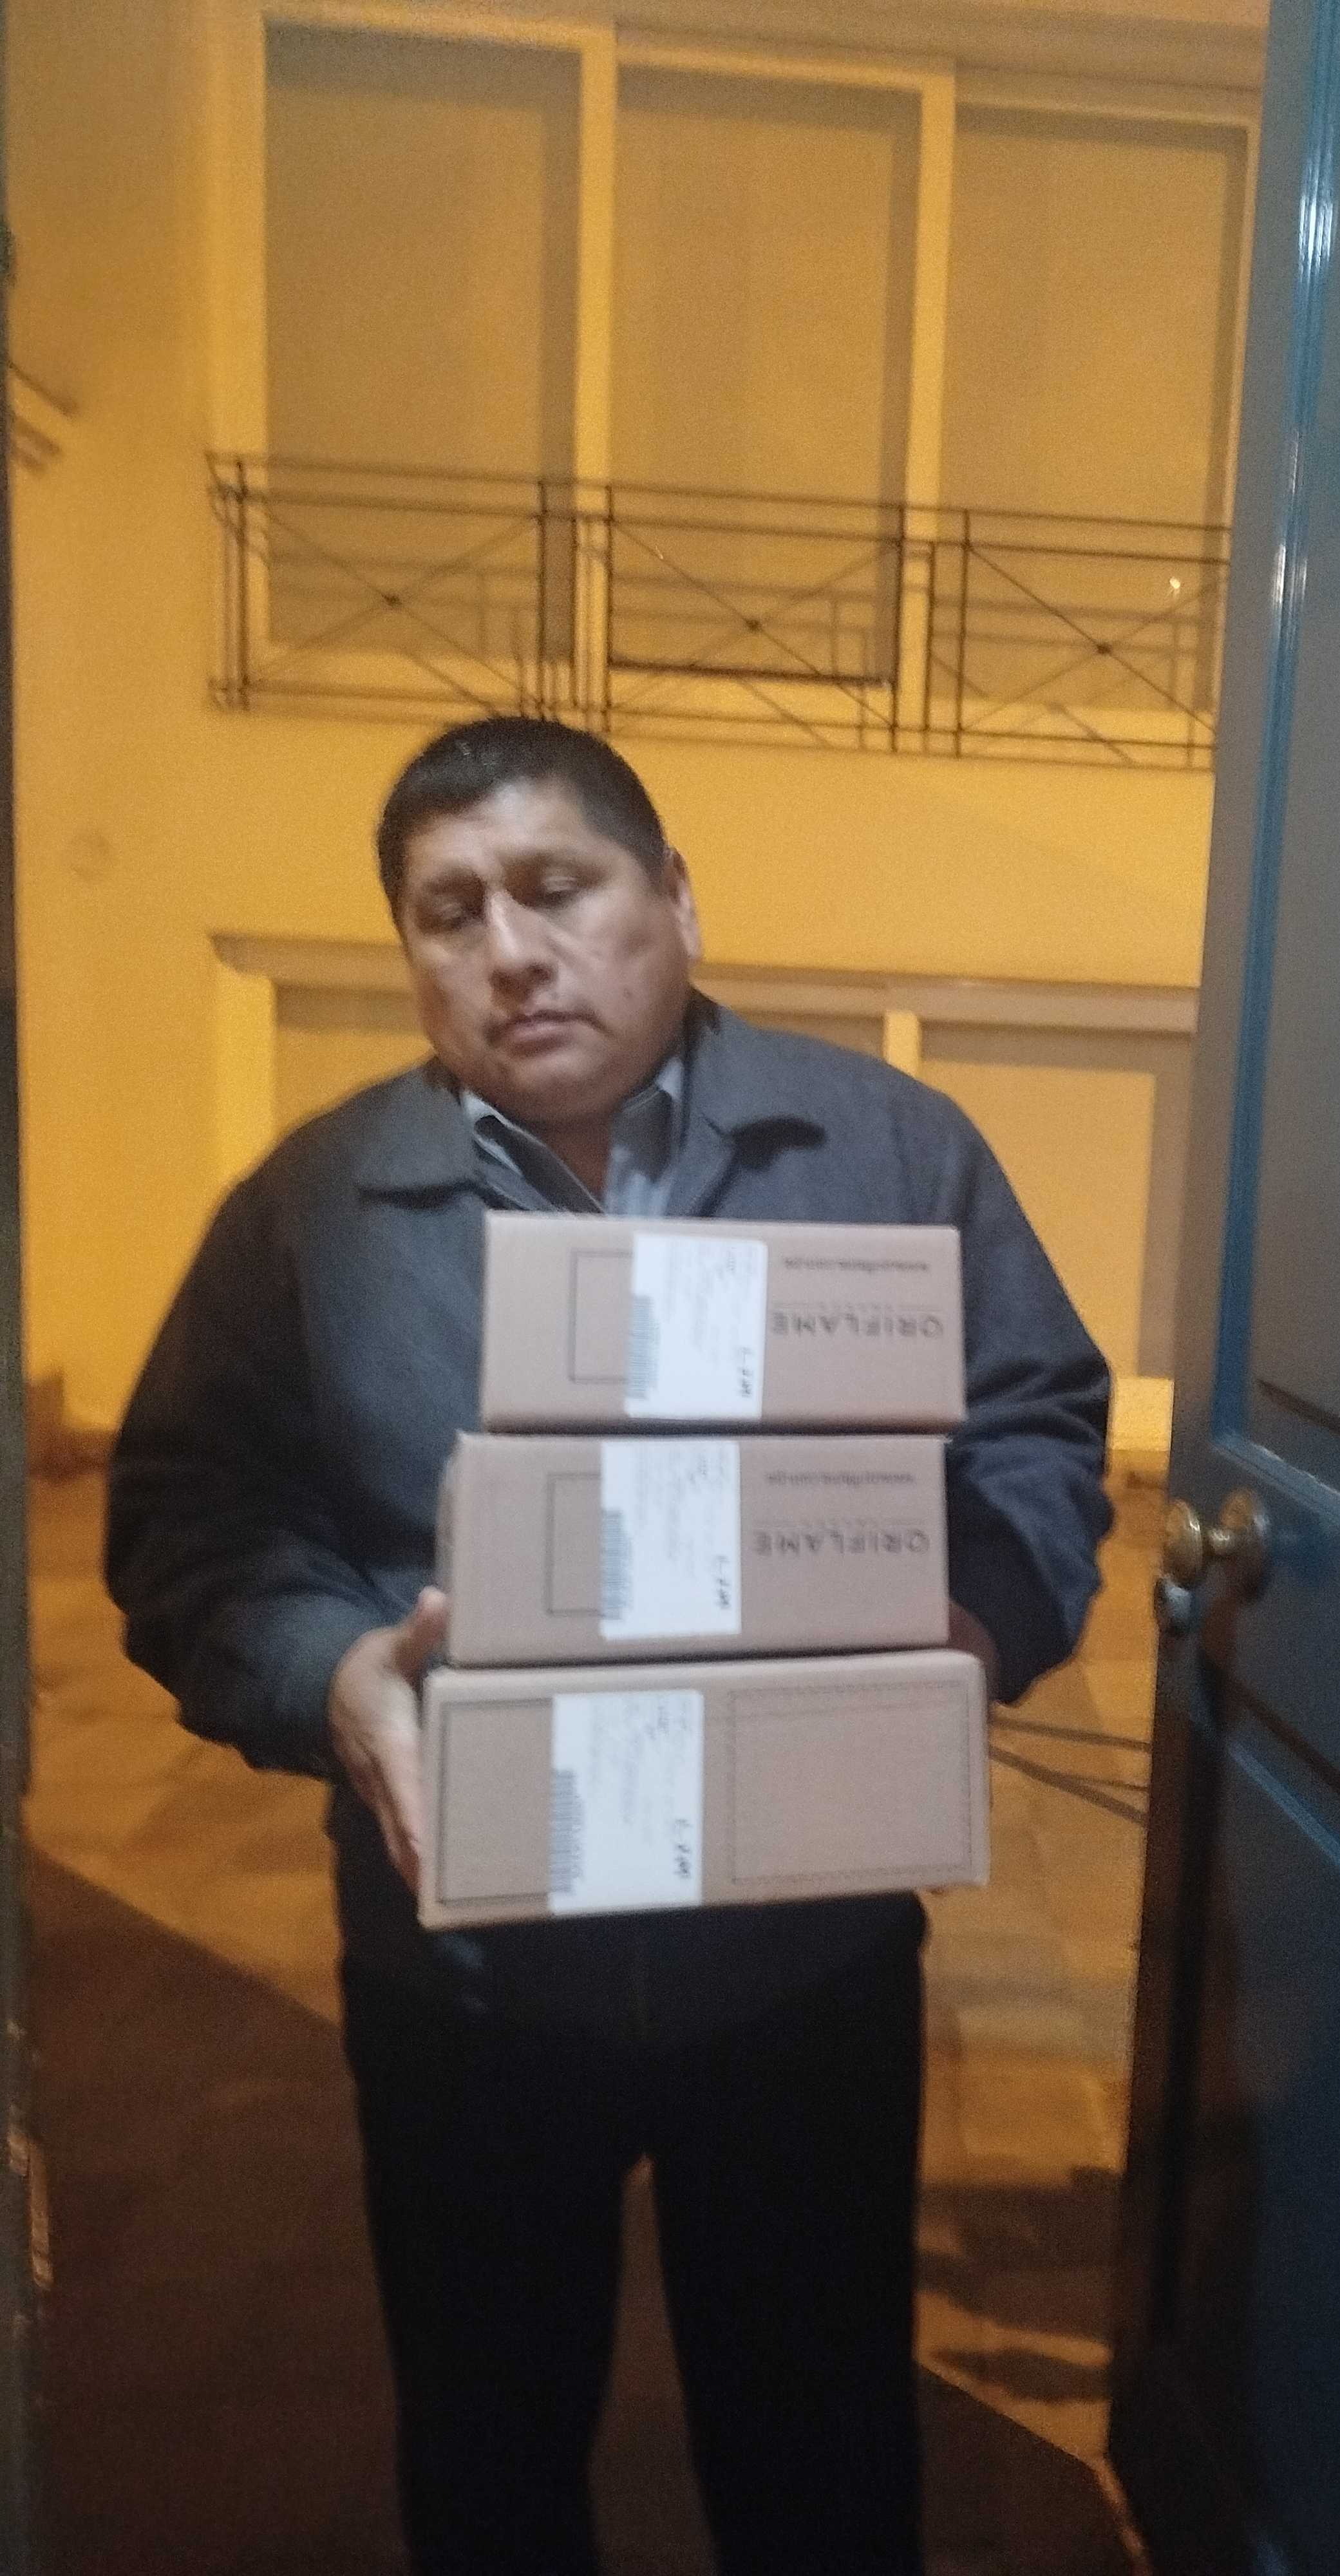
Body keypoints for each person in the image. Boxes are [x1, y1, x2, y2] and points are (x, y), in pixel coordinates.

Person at [105, 716, 1113, 2576]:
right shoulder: (314, 1206)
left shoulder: (886, 1146)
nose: (510, 951)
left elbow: (1041, 1422)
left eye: (558, 889)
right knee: (489, 2444)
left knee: (820, 2444)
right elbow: (189, 1517)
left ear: (677, 902)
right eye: (450, 913)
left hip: (805, 1949)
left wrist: (976, 1620)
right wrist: (331, 1672)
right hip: (470, 1967)